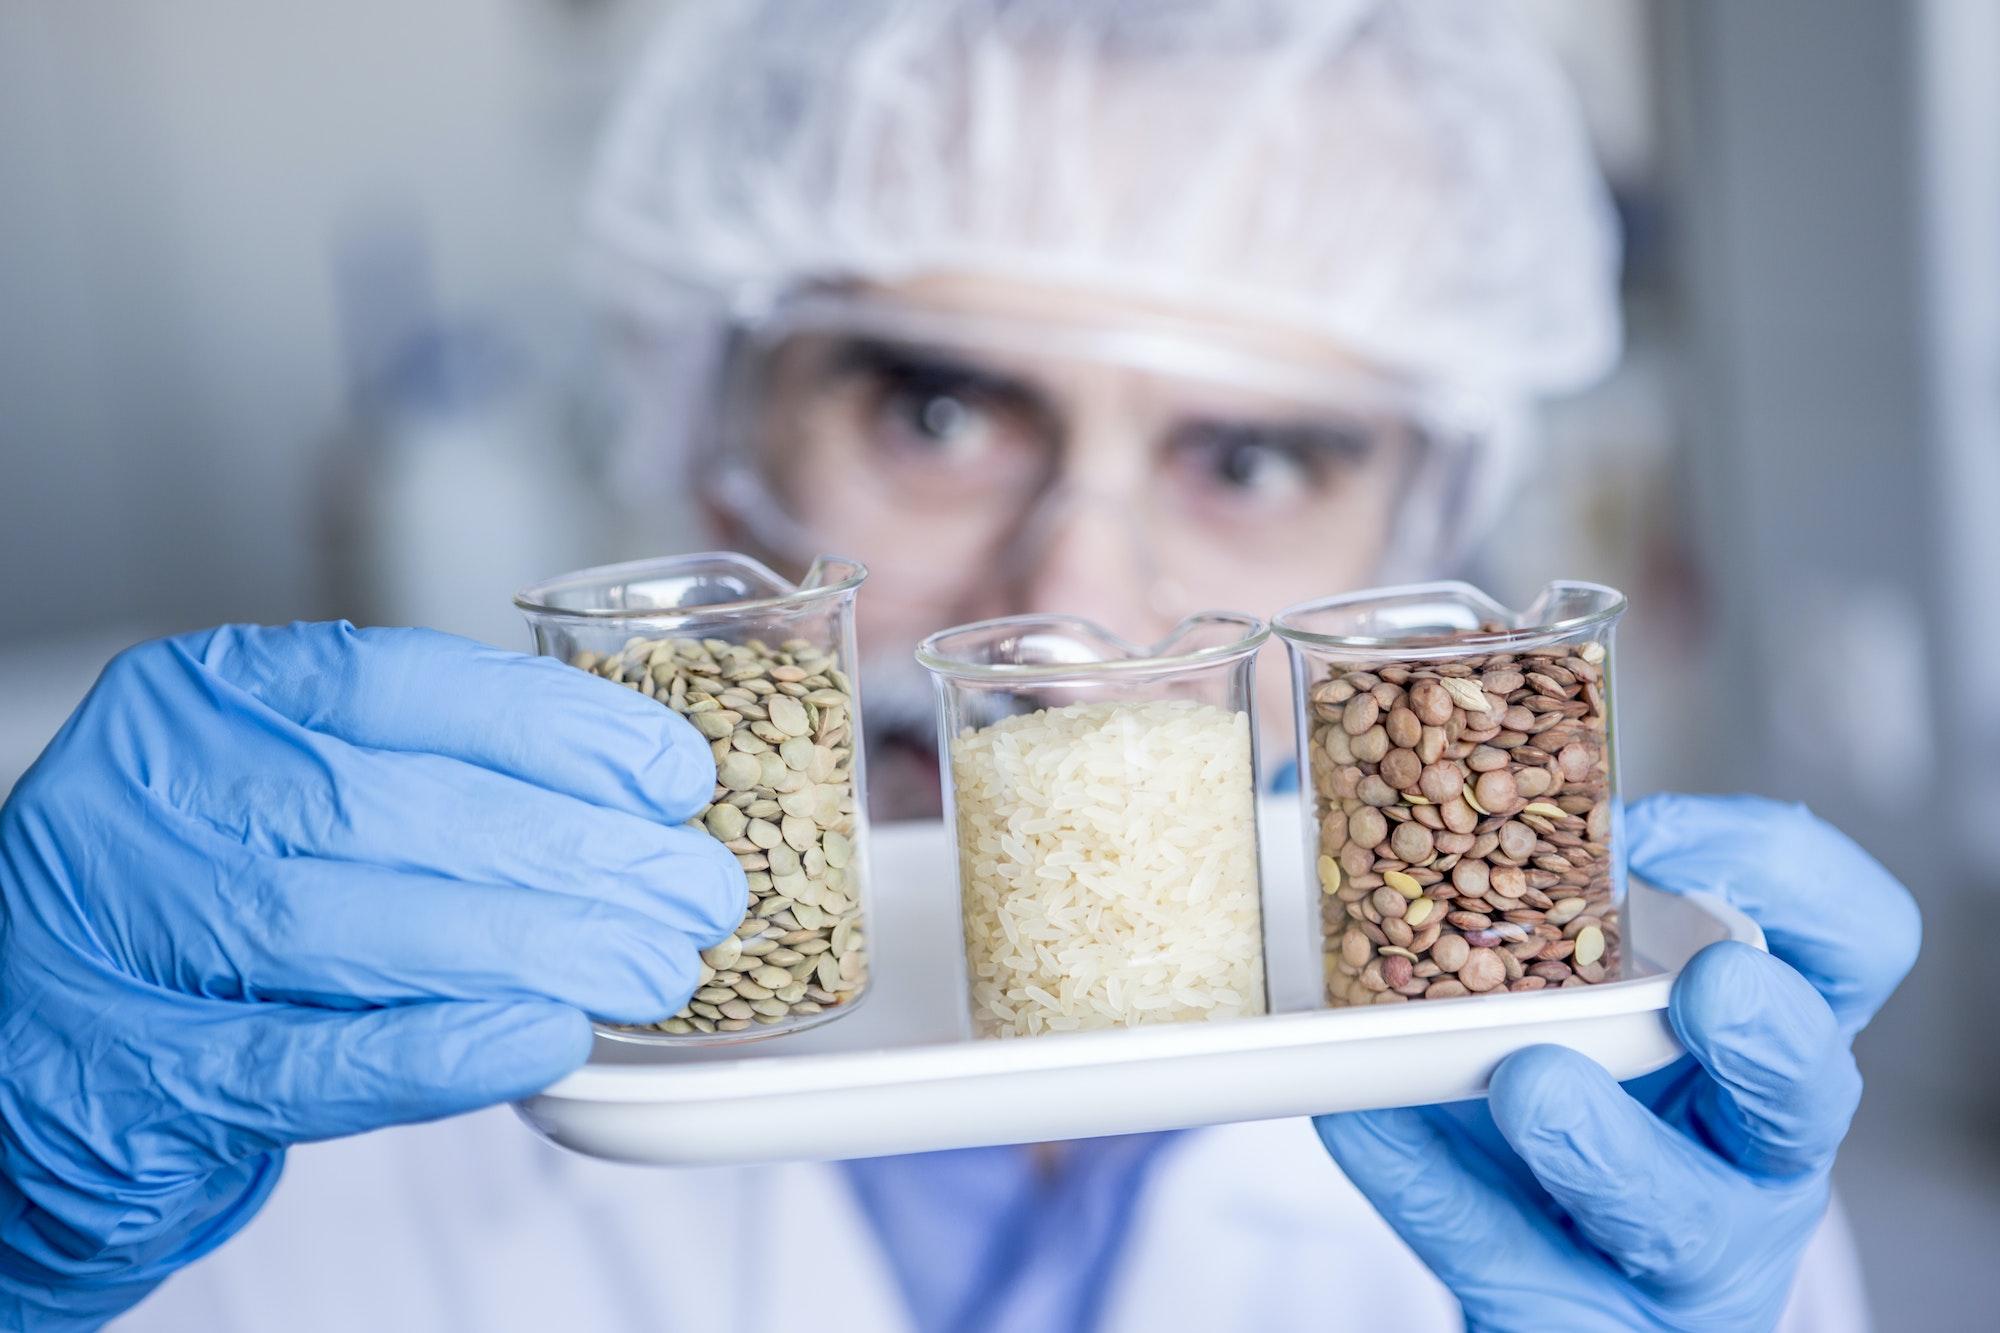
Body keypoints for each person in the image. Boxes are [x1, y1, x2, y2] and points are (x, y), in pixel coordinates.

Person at [0, 2, 1918, 1330]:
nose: (1075, 607)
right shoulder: (245, 1016)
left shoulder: (1621, 1136)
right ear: (703, 420)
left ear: (1424, 538)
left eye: (1249, 458)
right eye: (937, 408)